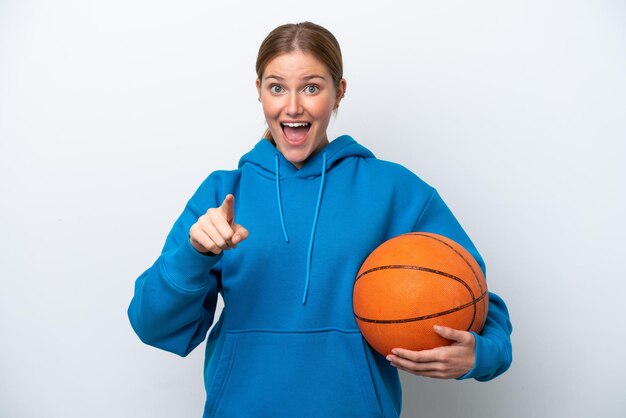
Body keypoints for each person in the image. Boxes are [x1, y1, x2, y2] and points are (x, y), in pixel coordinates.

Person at [128, 21, 512, 418]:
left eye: (311, 87)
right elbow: (151, 324)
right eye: (276, 87)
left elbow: (478, 299)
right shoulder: (223, 194)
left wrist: (482, 355)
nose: (293, 107)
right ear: (258, 91)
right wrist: (194, 253)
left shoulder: (394, 191)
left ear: (339, 92)